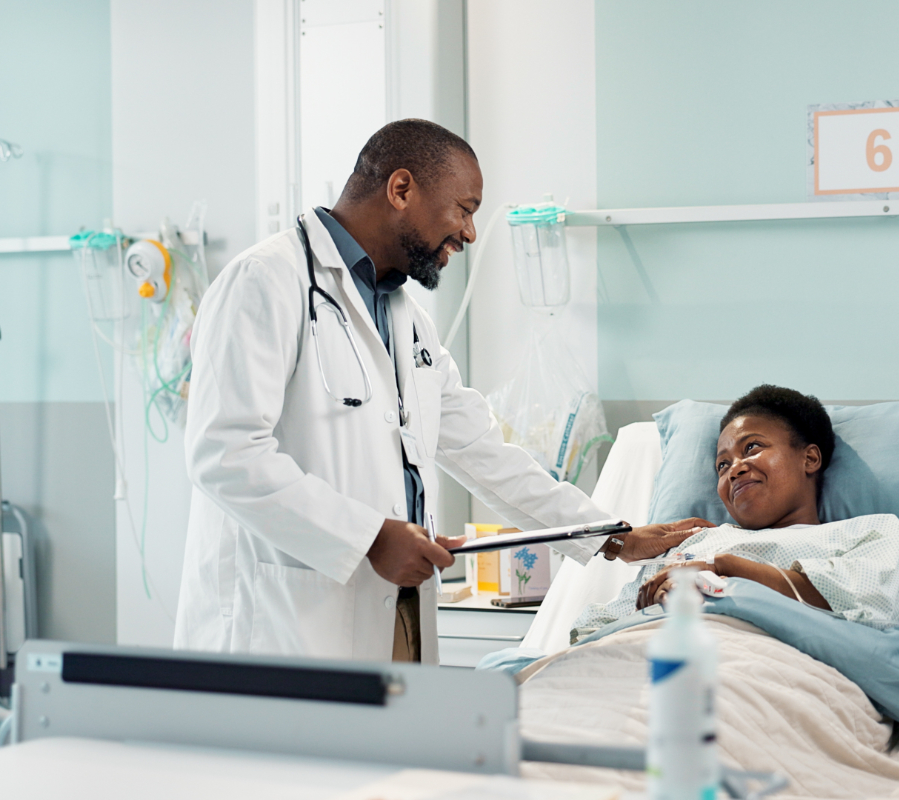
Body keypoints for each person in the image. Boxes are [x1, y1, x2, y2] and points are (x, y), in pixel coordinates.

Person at [174, 119, 700, 664]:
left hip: (390, 613)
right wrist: (371, 537)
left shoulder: (406, 317)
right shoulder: (266, 280)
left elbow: (482, 452)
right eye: (464, 209)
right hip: (279, 624)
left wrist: (611, 537)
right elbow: (226, 455)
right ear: (401, 190)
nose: (470, 233)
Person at [571, 385, 899, 638]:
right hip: (646, 659)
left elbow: (871, 610)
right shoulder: (694, 545)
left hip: (763, 666)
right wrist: (646, 606)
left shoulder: (871, 533)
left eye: (752, 447)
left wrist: (723, 569)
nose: (734, 469)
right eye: (722, 465)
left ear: (809, 458)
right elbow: (594, 630)